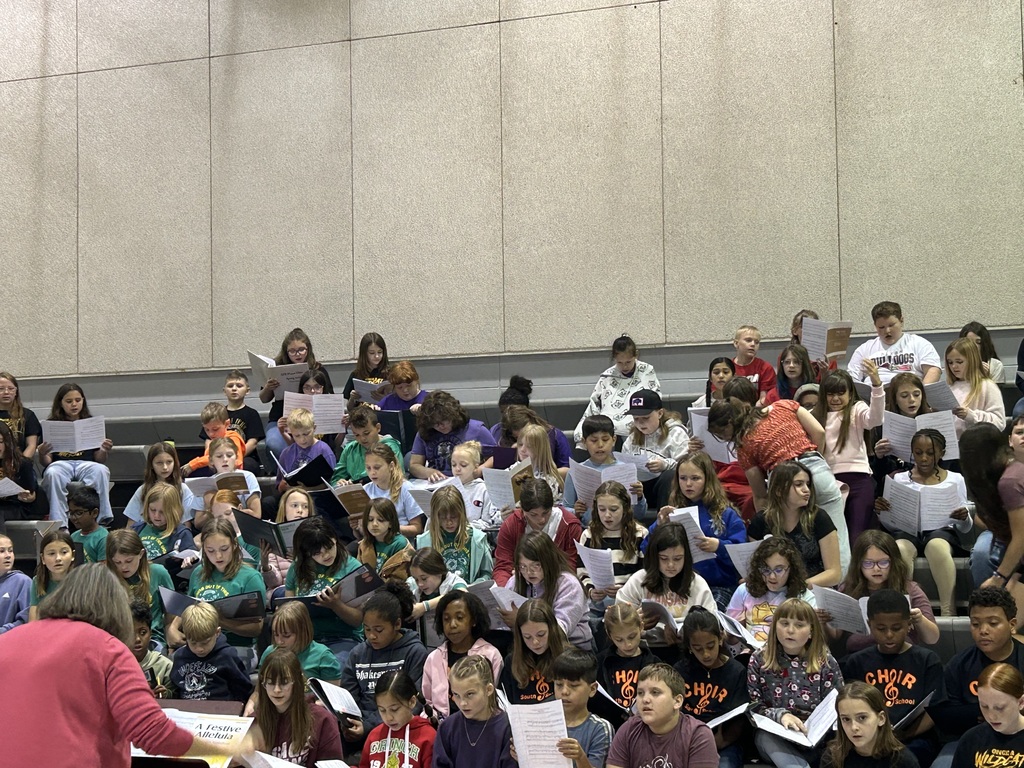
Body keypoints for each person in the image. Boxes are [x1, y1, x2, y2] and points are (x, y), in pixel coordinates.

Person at [0, 564, 246, 767]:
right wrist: (222, 749)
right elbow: (151, 732)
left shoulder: (7, 642)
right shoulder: (107, 648)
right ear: (116, 609)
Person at [709, 376, 850, 573]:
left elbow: (759, 495)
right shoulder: (784, 405)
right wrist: (810, 469)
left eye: (723, 433)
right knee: (838, 541)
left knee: (790, 544)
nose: (724, 439)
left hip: (784, 482)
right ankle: (839, 590)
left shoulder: (744, 445)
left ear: (731, 423)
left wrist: (765, 523)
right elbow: (819, 432)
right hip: (816, 469)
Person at [875, 428, 972, 617]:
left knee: (937, 546)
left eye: (930, 453)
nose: (924, 459)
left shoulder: (955, 479)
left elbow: (965, 528)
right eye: (918, 453)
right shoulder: (899, 479)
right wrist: (882, 513)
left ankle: (948, 610)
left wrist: (964, 517)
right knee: (900, 548)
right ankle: (901, 608)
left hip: (941, 531)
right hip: (906, 532)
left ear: (942, 454)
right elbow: (890, 525)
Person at [840, 589, 942, 767]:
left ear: (909, 624)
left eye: (896, 628)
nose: (888, 635)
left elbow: (935, 711)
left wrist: (905, 735)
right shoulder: (857, 662)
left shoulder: (927, 660)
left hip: (913, 738)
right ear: (869, 624)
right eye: (881, 628)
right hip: (867, 737)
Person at [930, 587, 1024, 768]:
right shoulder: (960, 664)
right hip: (971, 741)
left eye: (993, 623)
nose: (983, 631)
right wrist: (981, 713)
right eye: (975, 624)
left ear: (1012, 625)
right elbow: (944, 715)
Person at [747, 598, 843, 768]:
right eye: (784, 623)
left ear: (811, 631)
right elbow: (754, 707)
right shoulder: (759, 659)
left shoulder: (825, 661)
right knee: (764, 737)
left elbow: (837, 704)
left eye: (799, 625)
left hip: (815, 741)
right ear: (775, 626)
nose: (790, 630)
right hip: (776, 738)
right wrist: (781, 715)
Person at [340, 582, 428, 744]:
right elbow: (348, 697)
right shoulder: (358, 654)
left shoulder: (414, 652)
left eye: (378, 630)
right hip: (359, 726)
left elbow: (416, 704)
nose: (372, 636)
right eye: (367, 629)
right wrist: (351, 722)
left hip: (398, 728)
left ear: (397, 624)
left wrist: (368, 726)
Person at [823, 530, 939, 652]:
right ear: (858, 564)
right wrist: (824, 621)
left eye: (883, 562)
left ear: (894, 562)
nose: (876, 569)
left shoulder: (910, 589)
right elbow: (835, 636)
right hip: (859, 658)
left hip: (900, 658)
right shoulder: (848, 589)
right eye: (868, 563)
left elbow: (933, 638)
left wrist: (919, 619)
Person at [655, 451, 745, 608]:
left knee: (705, 620)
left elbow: (742, 553)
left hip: (718, 586)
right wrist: (659, 526)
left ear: (707, 480)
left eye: (695, 478)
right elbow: (646, 549)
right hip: (679, 586)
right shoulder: (673, 512)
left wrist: (718, 546)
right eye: (683, 478)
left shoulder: (725, 513)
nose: (688, 484)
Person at [615, 522, 716, 655]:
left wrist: (686, 634)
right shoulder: (639, 580)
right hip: (644, 650)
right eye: (663, 558)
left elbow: (712, 624)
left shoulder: (697, 583)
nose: (670, 565)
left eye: (677, 559)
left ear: (686, 557)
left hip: (687, 650)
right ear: (655, 557)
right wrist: (635, 623)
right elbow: (616, 619)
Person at [813, 366, 884, 546]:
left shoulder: (856, 410)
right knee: (835, 540)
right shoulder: (815, 415)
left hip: (859, 480)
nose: (835, 398)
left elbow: (875, 419)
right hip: (828, 481)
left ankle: (856, 573)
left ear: (850, 393)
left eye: (841, 393)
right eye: (830, 394)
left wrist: (876, 385)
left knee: (856, 536)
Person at [961, 424, 1024, 617]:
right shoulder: (1013, 471)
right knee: (1007, 621)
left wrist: (998, 578)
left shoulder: (1009, 481)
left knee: (1007, 622)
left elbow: (1021, 537)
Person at [285, 516, 365, 668]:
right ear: (307, 553)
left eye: (329, 547)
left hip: (344, 638)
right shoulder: (297, 568)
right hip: (306, 639)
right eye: (317, 553)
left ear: (335, 539)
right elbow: (288, 610)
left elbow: (357, 620)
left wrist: (336, 605)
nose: (326, 555)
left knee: (333, 666)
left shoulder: (353, 568)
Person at [747, 460, 843, 586]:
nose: (806, 490)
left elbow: (834, 573)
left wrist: (798, 587)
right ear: (779, 490)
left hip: (813, 590)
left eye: (808, 484)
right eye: (798, 484)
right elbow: (756, 567)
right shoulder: (760, 522)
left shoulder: (819, 518)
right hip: (774, 589)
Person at [674, 606, 749, 768]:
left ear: (720, 638)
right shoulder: (680, 671)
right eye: (698, 649)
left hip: (724, 742)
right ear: (689, 647)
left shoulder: (736, 672)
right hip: (687, 740)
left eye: (710, 646)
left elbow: (740, 719)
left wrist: (724, 741)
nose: (706, 654)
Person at [605, 663, 719, 768]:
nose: (645, 699)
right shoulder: (629, 729)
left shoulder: (698, 734)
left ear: (677, 701)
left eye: (655, 692)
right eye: (640, 693)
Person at [578, 480, 647, 643]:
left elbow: (645, 574)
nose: (607, 515)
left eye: (613, 509)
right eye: (602, 509)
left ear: (625, 509)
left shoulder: (639, 534)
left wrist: (624, 591)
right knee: (591, 627)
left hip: (629, 602)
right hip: (598, 601)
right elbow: (582, 571)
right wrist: (591, 590)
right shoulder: (589, 535)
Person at [500, 530, 592, 650]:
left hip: (571, 648)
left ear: (548, 561)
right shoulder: (516, 581)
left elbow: (561, 631)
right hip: (529, 646)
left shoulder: (568, 584)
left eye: (536, 565)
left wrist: (520, 621)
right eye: (523, 566)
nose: (529, 572)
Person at [251, 648, 344, 765]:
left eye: (284, 682)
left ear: (298, 681)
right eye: (270, 682)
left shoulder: (322, 720)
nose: (277, 690)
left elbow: (333, 764)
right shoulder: (254, 722)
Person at [38, 382, 114, 525]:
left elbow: (99, 459)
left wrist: (103, 449)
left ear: (83, 401)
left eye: (78, 400)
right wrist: (42, 453)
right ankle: (60, 523)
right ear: (60, 403)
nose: (74, 404)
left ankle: (101, 518)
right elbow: (46, 462)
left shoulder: (91, 422)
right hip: (60, 463)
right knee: (52, 473)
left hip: (87, 463)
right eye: (69, 401)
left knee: (101, 470)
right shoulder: (51, 424)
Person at [421, 590, 503, 719]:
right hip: (442, 728)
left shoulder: (490, 655)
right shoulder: (434, 658)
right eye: (446, 619)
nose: (452, 625)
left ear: (473, 620)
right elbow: (428, 703)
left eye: (459, 618)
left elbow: (493, 700)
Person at [573, 334, 661, 446]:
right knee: (600, 433)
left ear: (636, 356)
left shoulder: (646, 371)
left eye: (628, 362)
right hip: (609, 419)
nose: (624, 367)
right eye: (620, 363)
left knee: (633, 429)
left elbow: (655, 399)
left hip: (636, 417)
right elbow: (595, 402)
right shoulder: (607, 376)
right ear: (614, 359)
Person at [492, 478, 583, 585]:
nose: (541, 520)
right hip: (520, 588)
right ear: (522, 510)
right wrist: (505, 593)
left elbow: (570, 569)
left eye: (546, 513)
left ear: (553, 505)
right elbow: (503, 566)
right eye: (533, 515)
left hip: (557, 587)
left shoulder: (570, 526)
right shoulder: (511, 525)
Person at [726, 536, 815, 644]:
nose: (772, 576)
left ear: (791, 569)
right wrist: (734, 632)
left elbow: (811, 640)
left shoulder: (804, 596)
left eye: (779, 570)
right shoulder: (744, 591)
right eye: (766, 569)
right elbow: (730, 640)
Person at [260, 328, 332, 461]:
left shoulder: (318, 369)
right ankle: (284, 474)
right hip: (281, 419)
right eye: (292, 351)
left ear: (308, 349)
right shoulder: (276, 369)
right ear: (286, 352)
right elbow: (264, 399)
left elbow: (329, 397)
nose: (297, 354)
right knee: (274, 444)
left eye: (301, 349)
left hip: (311, 420)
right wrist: (268, 387)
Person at [432, 654, 517, 768]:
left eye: (470, 694)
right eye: (456, 695)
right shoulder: (448, 727)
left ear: (488, 689)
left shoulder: (507, 727)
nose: (462, 703)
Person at [564, 414, 649, 524]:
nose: (600, 445)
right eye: (594, 440)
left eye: (605, 439)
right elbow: (565, 508)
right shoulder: (575, 472)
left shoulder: (626, 470)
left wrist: (639, 497)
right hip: (590, 530)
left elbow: (639, 514)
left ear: (613, 440)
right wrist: (575, 511)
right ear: (584, 442)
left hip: (622, 530)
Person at [821, 681, 920, 768]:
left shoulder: (903, 761)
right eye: (846, 719)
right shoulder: (832, 757)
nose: (853, 727)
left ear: (881, 718)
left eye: (862, 718)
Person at [169, 602, 252, 702]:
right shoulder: (180, 657)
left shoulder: (227, 655)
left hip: (220, 711)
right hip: (187, 711)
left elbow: (243, 689)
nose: (199, 649)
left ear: (217, 633)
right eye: (193, 643)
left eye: (205, 643)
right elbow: (175, 688)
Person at [847, 301, 941, 385]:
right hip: (874, 396)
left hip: (908, 395)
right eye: (881, 327)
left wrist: (921, 395)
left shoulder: (919, 343)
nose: (887, 331)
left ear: (901, 321)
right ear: (875, 326)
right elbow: (852, 378)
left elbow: (933, 370)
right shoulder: (864, 349)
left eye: (891, 325)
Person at [549, 649, 614, 768]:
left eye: (573, 686)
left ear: (593, 689)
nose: (564, 691)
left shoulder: (600, 728)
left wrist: (580, 757)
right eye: (558, 685)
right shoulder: (543, 722)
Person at [106, 528, 174, 642]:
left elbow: (171, 613)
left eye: (129, 561)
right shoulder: (107, 578)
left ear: (141, 554)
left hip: (153, 639)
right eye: (117, 562)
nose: (123, 567)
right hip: (119, 639)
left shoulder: (158, 573)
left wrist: (170, 643)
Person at [595, 603, 659, 725]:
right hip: (612, 726)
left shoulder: (655, 663)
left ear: (641, 627)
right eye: (619, 640)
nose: (627, 644)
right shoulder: (600, 663)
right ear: (609, 635)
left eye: (632, 636)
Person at [359, 669, 436, 768]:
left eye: (394, 709)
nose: (388, 717)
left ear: (412, 702)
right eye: (382, 710)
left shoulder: (428, 737)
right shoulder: (375, 735)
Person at [417, 484, 494, 584]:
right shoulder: (424, 541)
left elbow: (487, 573)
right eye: (443, 518)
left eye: (454, 517)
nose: (449, 523)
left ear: (462, 513)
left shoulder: (477, 539)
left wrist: (476, 585)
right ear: (435, 516)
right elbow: (418, 575)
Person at [409, 391, 494, 481]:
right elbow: (414, 465)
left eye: (444, 420)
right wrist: (428, 472)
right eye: (435, 423)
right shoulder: (425, 431)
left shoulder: (476, 429)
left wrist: (481, 470)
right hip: (438, 484)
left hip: (468, 481)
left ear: (453, 415)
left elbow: (496, 457)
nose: (441, 426)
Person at [953, 663, 1024, 766]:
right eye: (984, 706)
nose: (991, 716)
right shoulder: (972, 739)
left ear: (1021, 702)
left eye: (1000, 708)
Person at [499, 598, 566, 704]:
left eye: (541, 634)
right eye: (527, 637)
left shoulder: (568, 658)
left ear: (552, 630)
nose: (535, 642)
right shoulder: (511, 662)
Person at [123, 441, 200, 524]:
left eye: (169, 462)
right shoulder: (143, 490)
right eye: (159, 463)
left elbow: (186, 525)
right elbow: (131, 525)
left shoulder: (183, 489)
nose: (165, 467)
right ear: (151, 465)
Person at [205, 369, 265, 474]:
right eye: (230, 386)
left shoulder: (252, 413)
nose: (234, 389)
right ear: (224, 391)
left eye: (239, 386)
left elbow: (253, 442)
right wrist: (213, 456)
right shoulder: (217, 413)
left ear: (247, 390)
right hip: (218, 456)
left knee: (249, 466)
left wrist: (234, 456)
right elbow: (208, 440)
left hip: (245, 456)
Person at [946, 337, 1006, 435]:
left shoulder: (987, 386)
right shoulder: (950, 387)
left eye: (959, 362)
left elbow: (1000, 422)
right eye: (950, 362)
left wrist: (970, 415)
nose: (954, 366)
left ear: (972, 361)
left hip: (977, 444)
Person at [364, 443, 426, 538]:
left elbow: (417, 528)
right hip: (374, 542)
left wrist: (390, 528)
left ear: (391, 466)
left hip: (399, 541)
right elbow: (362, 533)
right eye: (368, 468)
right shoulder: (365, 490)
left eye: (377, 467)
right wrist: (358, 527)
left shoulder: (406, 488)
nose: (372, 472)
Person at [331, 405, 402, 485]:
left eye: (366, 433)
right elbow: (335, 479)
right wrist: (339, 482)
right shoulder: (350, 448)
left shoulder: (390, 447)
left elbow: (397, 476)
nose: (362, 439)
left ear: (378, 428)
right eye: (357, 435)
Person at [274, 407, 337, 496]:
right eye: (297, 436)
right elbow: (279, 484)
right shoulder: (286, 453)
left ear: (314, 428)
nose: (302, 440)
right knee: (269, 503)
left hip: (317, 497)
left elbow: (332, 483)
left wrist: (307, 489)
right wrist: (282, 486)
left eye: (306, 434)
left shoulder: (324, 450)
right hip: (292, 497)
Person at [180, 402, 246, 477]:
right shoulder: (213, 442)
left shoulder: (233, 438)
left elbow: (238, 462)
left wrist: (195, 464)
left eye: (215, 429)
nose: (211, 434)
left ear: (227, 424)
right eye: (207, 430)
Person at [133, 482, 195, 560]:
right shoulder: (137, 529)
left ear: (174, 511)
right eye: (153, 510)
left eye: (162, 512)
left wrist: (189, 559)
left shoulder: (182, 534)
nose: (156, 516)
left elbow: (192, 557)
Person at [407, 548, 467, 628]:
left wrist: (425, 606)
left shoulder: (453, 581)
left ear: (438, 572)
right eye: (416, 579)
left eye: (424, 578)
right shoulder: (416, 592)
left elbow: (462, 593)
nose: (420, 584)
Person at [449, 441, 504, 528]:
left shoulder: (484, 490)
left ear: (475, 467)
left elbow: (487, 522)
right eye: (454, 465)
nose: (457, 469)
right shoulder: (446, 488)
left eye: (463, 465)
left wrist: (465, 528)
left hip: (474, 536)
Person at [357, 498, 413, 574]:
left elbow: (399, 578)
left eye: (380, 520)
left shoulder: (400, 544)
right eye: (370, 519)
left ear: (390, 523)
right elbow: (359, 572)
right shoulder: (365, 543)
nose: (374, 524)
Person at [29, 529, 75, 621]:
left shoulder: (82, 581)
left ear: (73, 555)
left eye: (64, 552)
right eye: (51, 553)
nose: (58, 558)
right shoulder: (37, 581)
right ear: (42, 558)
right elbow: (33, 622)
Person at [130, 600, 172, 697]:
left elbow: (178, 699)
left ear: (150, 634)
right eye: (131, 633)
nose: (137, 639)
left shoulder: (165, 666)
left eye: (143, 632)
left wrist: (166, 694)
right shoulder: (117, 666)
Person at [516, 425, 566, 505]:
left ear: (541, 449)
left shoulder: (549, 480)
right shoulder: (513, 468)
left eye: (529, 446)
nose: (522, 450)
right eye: (520, 444)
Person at [0, 419, 36, 523]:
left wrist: (27, 497)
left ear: (8, 442)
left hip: (14, 505)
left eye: (1, 442)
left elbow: (32, 495)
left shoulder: (22, 463)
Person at [0, 371, 41, 458]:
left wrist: (21, 464)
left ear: (16, 392)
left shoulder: (28, 415)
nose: (6, 392)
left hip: (20, 463)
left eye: (11, 388)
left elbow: (31, 445)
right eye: (1, 389)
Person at [732, 324, 777, 404]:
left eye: (757, 342)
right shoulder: (727, 368)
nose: (753, 344)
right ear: (736, 343)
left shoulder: (765, 368)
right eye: (748, 340)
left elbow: (764, 400)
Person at [343, 332, 389, 409]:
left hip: (382, 416)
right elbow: (349, 408)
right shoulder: (356, 374)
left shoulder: (390, 373)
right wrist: (352, 398)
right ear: (364, 353)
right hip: (362, 417)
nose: (377, 356)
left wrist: (384, 399)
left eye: (380, 352)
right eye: (372, 353)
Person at [487, 375, 533, 443]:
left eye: (512, 414)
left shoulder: (539, 432)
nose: (506, 417)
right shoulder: (496, 431)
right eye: (503, 413)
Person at [68, 484, 108, 563]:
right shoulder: (73, 536)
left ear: (94, 513)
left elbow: (103, 571)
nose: (73, 517)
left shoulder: (103, 538)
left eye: (79, 513)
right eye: (71, 513)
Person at [0, 531, 30, 634]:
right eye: (1, 551)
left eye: (10, 550)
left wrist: (4, 630)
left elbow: (26, 620)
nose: (8, 556)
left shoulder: (22, 582)